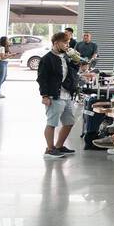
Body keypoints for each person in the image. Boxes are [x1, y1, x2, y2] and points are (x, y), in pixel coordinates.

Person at [36, 31, 79, 159]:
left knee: (69, 122)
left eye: (68, 42)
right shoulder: (47, 59)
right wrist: (44, 95)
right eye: (65, 42)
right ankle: (49, 149)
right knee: (52, 123)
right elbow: (41, 78)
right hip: (54, 95)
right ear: (56, 43)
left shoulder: (66, 56)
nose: (67, 45)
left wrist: (76, 61)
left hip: (67, 95)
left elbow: (73, 72)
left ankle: (59, 146)